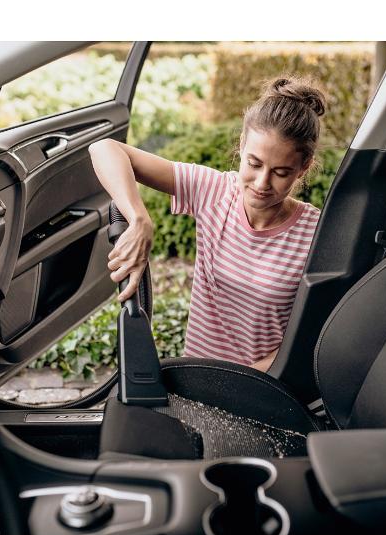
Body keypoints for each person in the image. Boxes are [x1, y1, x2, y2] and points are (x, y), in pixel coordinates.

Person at [89, 77, 325, 372]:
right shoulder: (214, 192)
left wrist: (240, 386)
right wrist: (138, 219)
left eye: (281, 172)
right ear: (241, 146)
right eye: (254, 164)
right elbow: (104, 149)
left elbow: (311, 340)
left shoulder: (317, 234)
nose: (262, 183)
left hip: (265, 387)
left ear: (304, 167)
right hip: (197, 376)